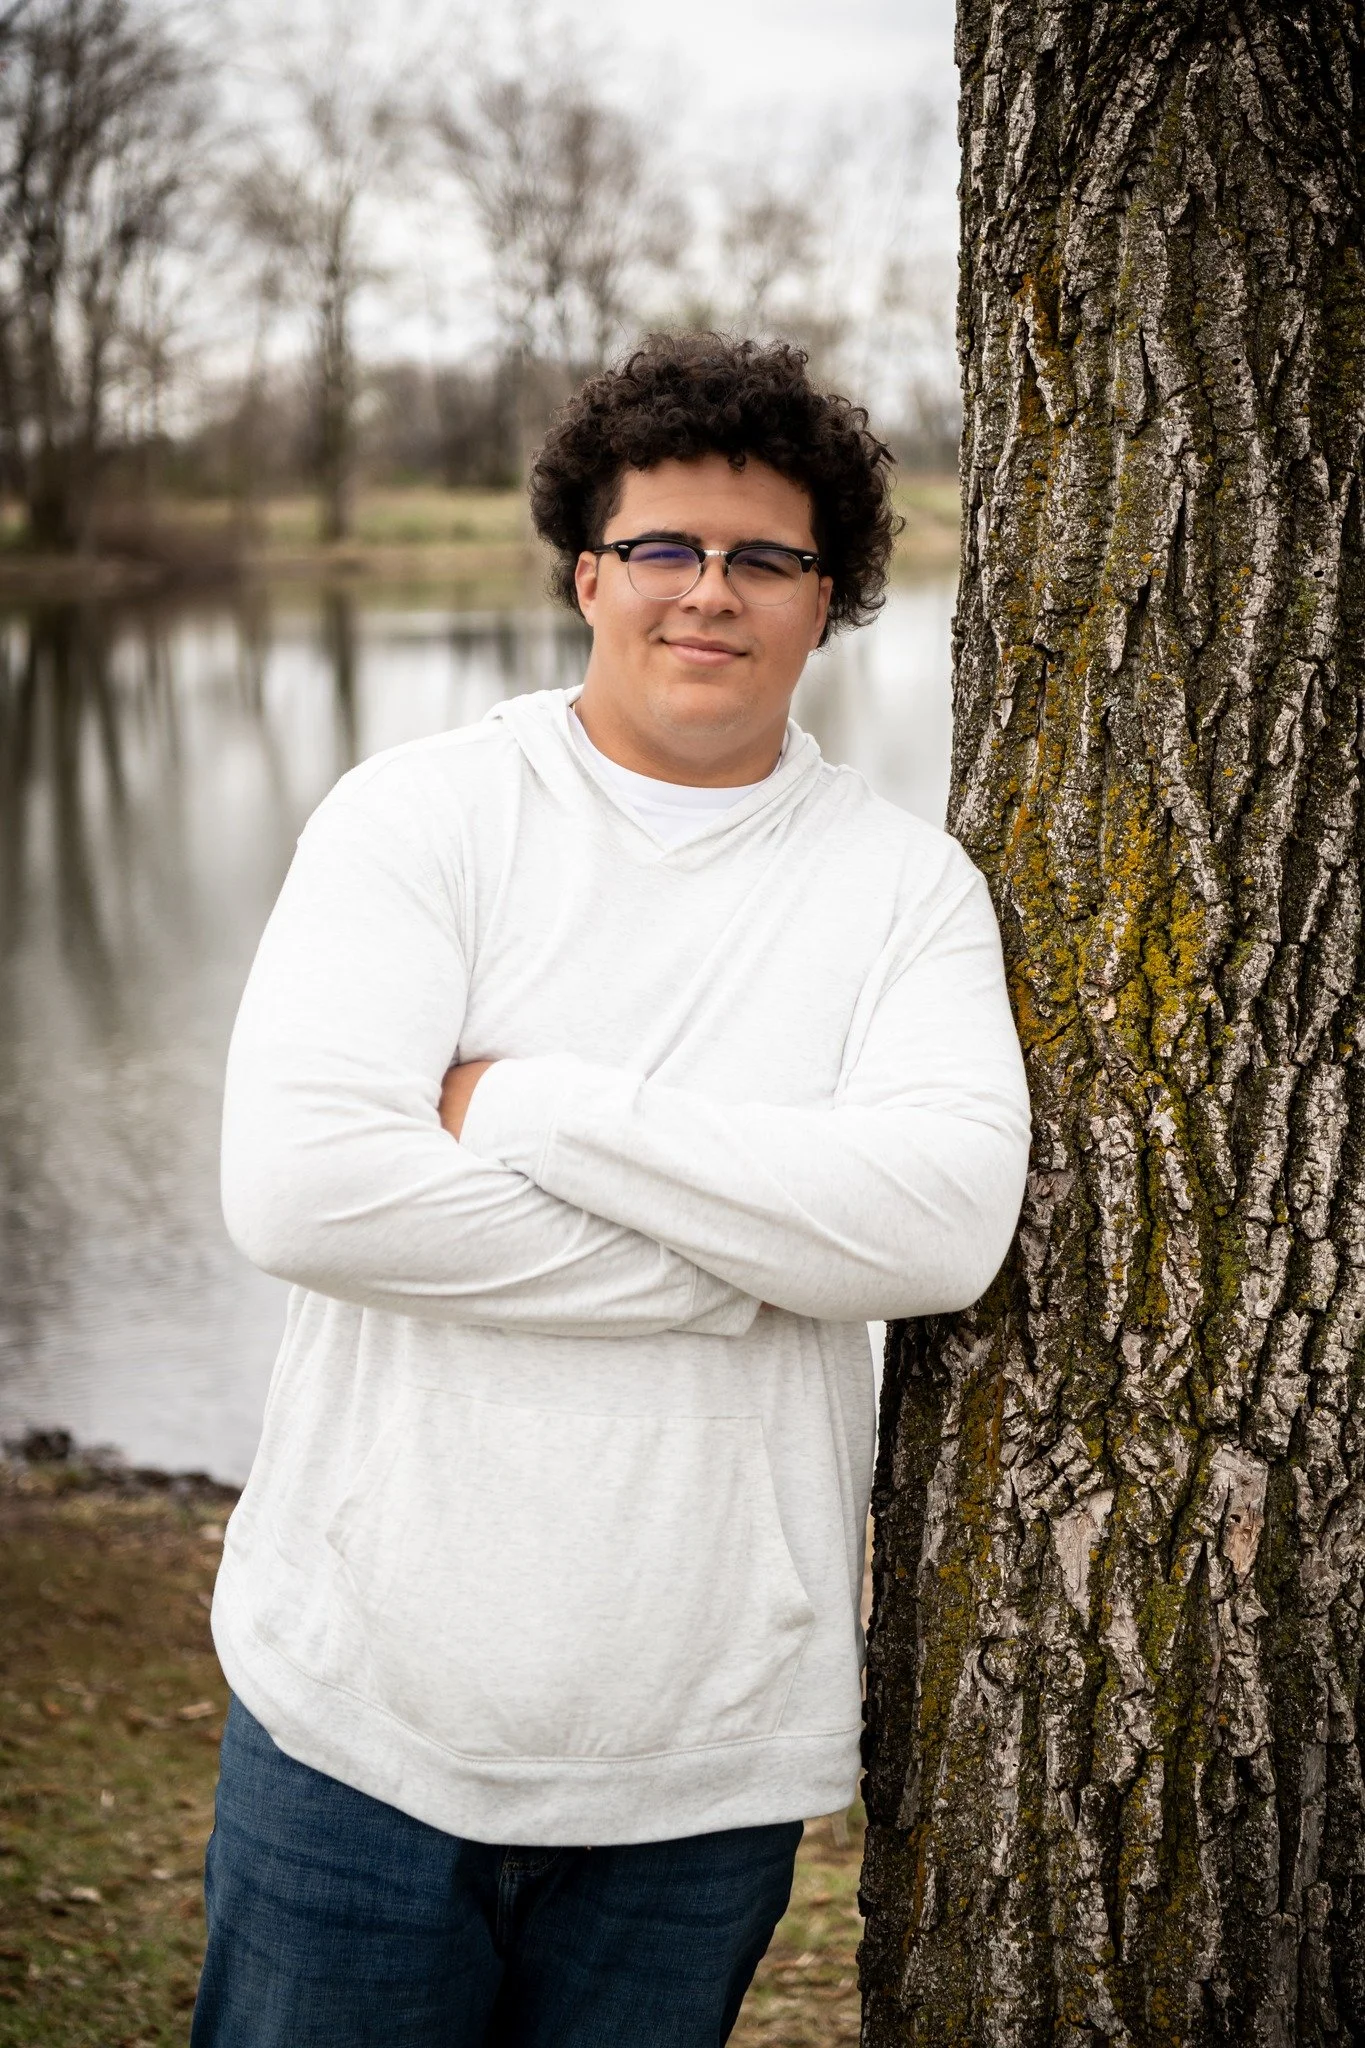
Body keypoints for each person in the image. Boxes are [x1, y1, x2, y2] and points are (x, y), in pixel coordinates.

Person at [192, 332, 1031, 2047]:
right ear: (590, 573)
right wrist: (776, 1252)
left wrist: (532, 1106)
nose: (707, 593)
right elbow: (306, 1194)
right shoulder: (420, 819)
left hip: (701, 1757)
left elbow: (941, 1226)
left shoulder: (905, 890)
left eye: (765, 559)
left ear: (829, 600)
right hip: (361, 1718)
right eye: (663, 547)